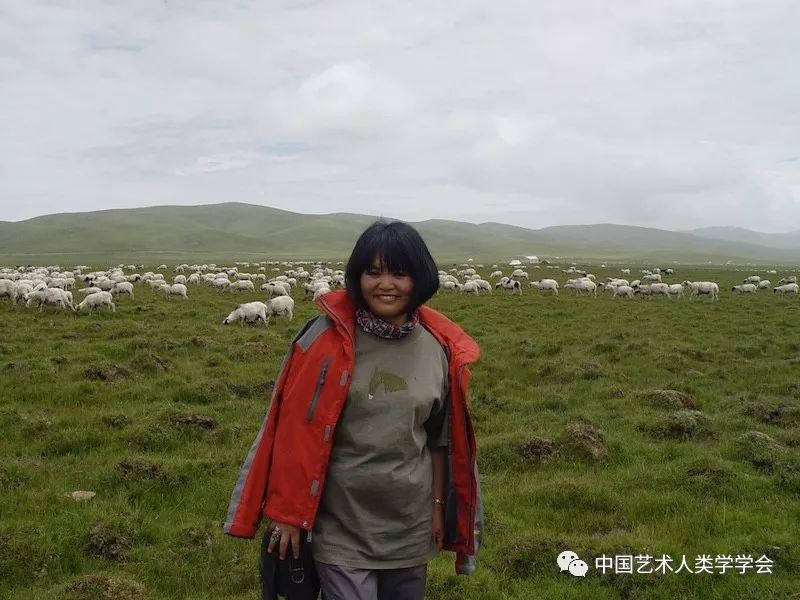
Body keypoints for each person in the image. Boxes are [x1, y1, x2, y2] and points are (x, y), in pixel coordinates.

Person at [224, 220, 484, 600]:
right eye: (373, 272)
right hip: (340, 525)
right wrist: (288, 512)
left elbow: (440, 439)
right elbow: (293, 429)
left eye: (399, 273)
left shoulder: (438, 349)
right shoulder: (324, 340)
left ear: (419, 278)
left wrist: (437, 507)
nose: (385, 284)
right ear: (357, 276)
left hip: (409, 525)